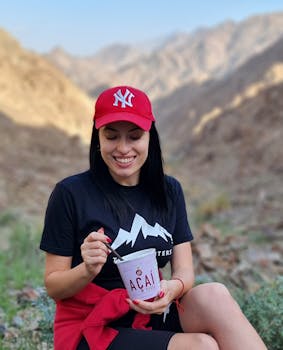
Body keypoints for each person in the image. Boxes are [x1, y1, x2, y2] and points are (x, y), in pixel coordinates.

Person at [40, 85, 267, 350]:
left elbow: (184, 270)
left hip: (150, 312)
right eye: (112, 136)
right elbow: (54, 286)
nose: (123, 148)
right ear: (97, 137)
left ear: (150, 137)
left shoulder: (169, 190)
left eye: (134, 136)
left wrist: (173, 288)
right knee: (202, 346)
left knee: (214, 294)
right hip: (94, 327)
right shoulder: (71, 193)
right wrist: (87, 269)